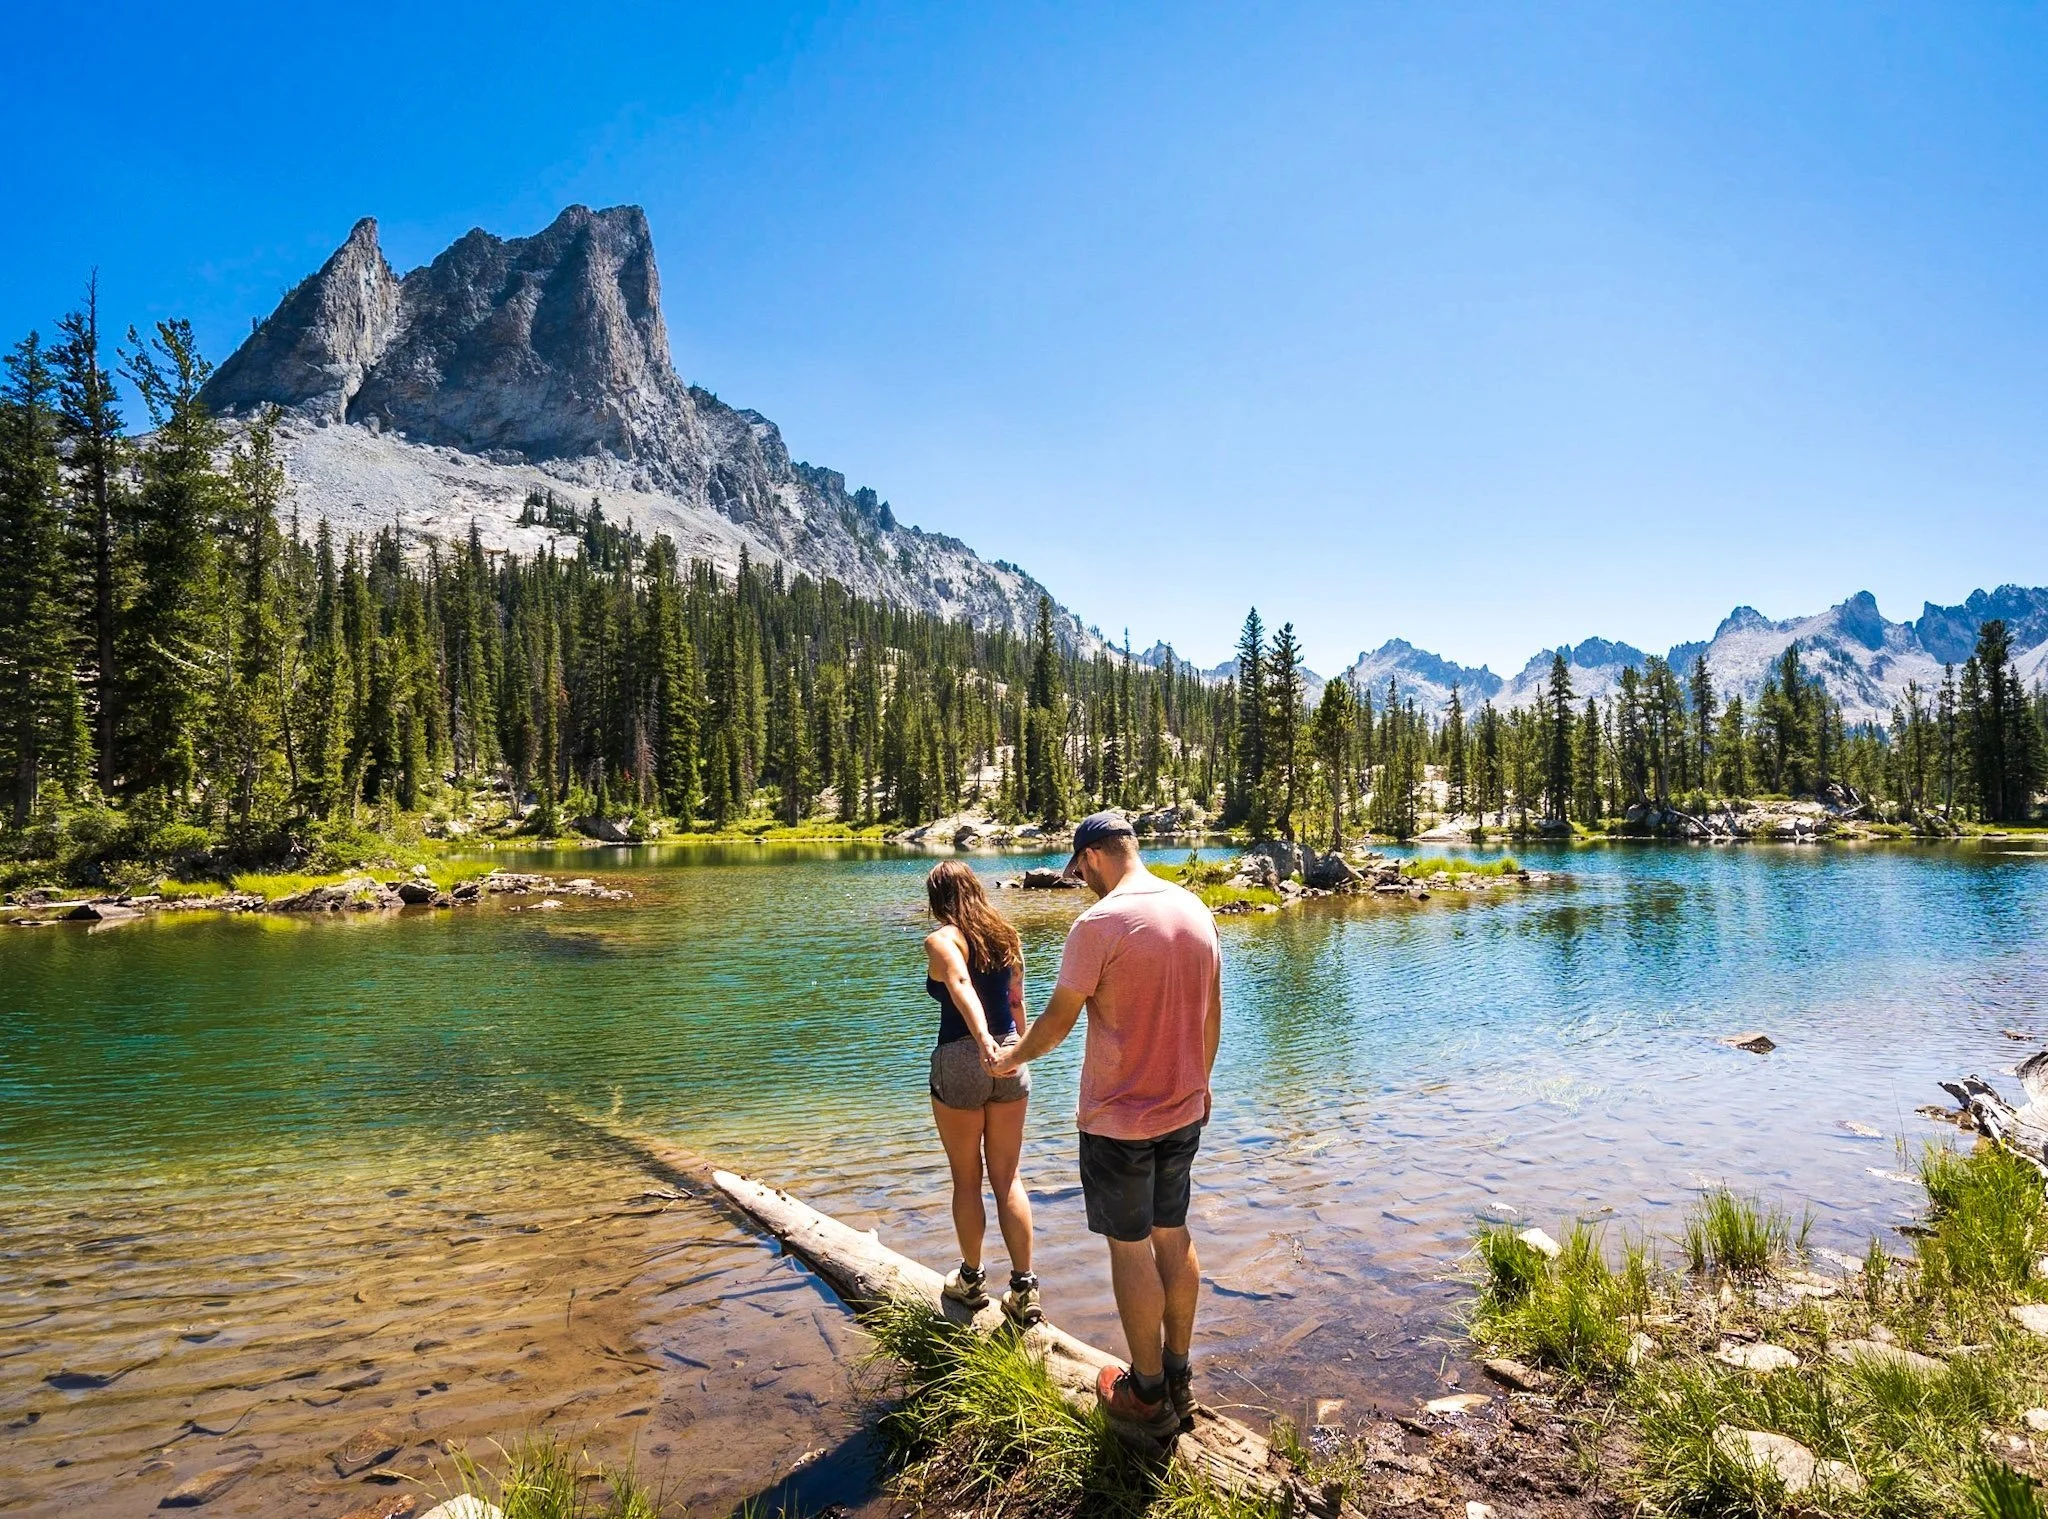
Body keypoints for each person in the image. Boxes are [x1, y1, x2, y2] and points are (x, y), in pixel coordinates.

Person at [990, 812, 1222, 1438]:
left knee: (1130, 1248)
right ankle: (1178, 1376)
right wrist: (1199, 1087)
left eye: (1081, 870)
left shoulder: (1099, 923)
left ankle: (1145, 1394)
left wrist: (1010, 1057)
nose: (1082, 882)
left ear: (1093, 856)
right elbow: (1211, 1017)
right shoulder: (1196, 910)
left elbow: (1058, 1023)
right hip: (1184, 1109)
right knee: (1173, 1233)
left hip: (1119, 1119)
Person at [922, 859, 1042, 1325]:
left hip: (963, 1058)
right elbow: (1016, 1001)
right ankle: (1024, 1289)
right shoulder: (1006, 936)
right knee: (1009, 1178)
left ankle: (971, 1281)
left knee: (967, 1179)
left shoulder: (943, 940)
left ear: (938, 900)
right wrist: (1020, 1049)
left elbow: (959, 984)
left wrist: (982, 1041)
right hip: (1012, 1060)